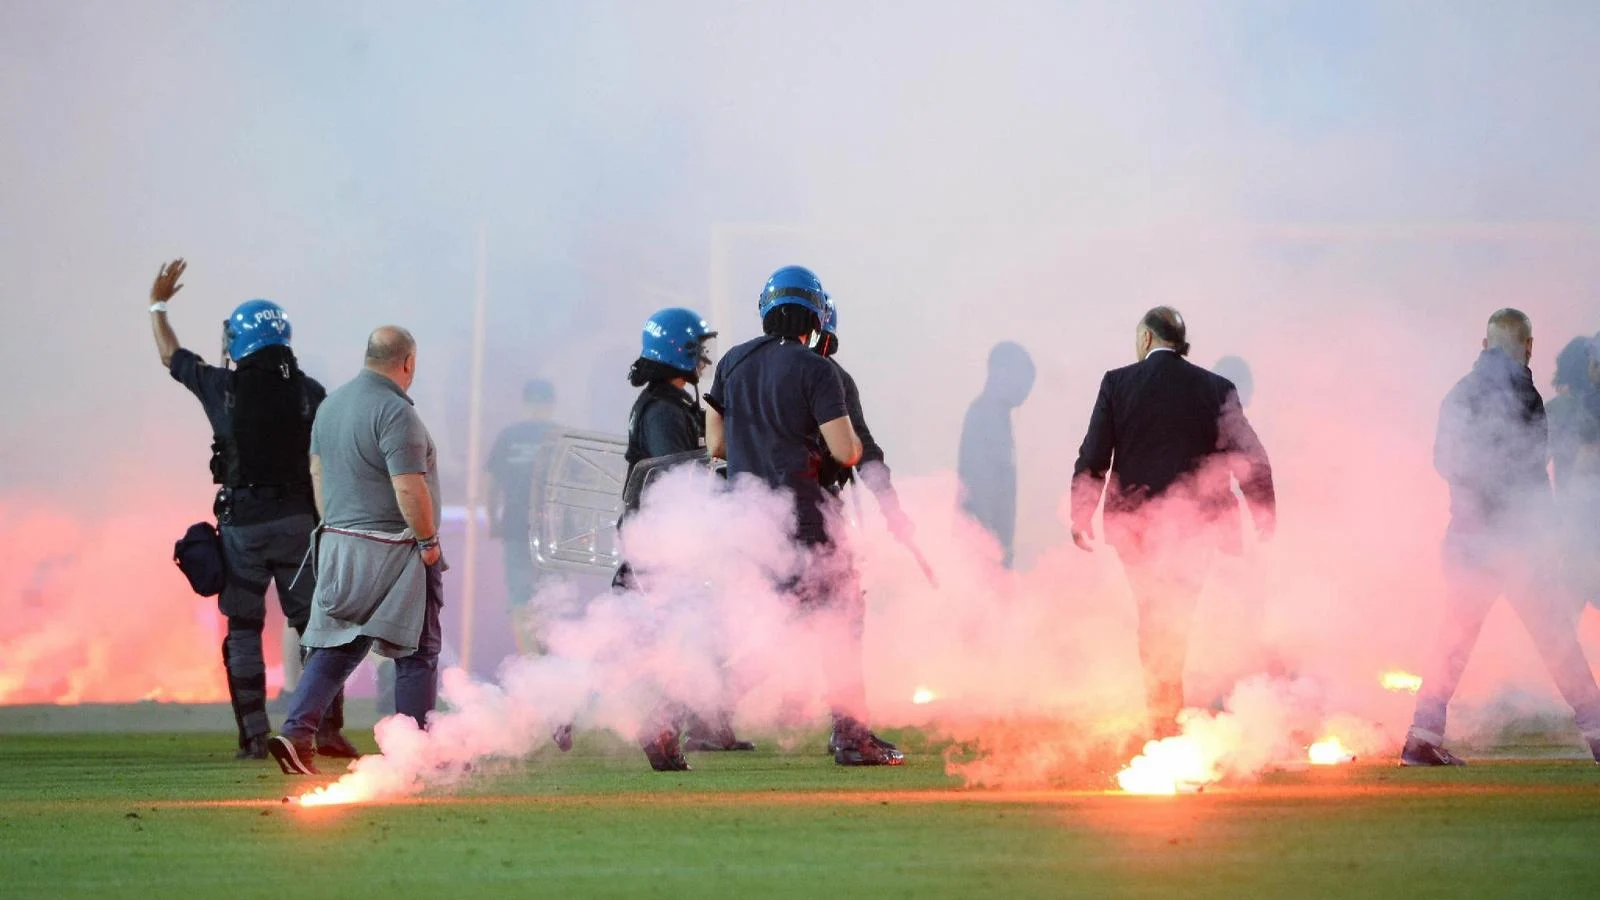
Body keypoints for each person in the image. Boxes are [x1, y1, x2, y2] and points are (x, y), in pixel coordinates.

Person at [147, 259, 355, 761]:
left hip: (242, 527)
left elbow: (170, 356)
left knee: (243, 630)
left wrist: (157, 305)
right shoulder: (311, 393)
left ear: (239, 342)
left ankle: (255, 739)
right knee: (317, 631)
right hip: (300, 528)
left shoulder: (224, 389)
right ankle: (321, 731)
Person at [703, 265, 903, 767]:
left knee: (771, 624)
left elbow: (717, 445)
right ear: (815, 314)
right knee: (840, 620)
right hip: (806, 517)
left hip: (749, 521)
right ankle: (851, 736)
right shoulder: (819, 370)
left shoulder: (731, 361)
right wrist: (848, 450)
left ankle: (697, 712)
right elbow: (848, 449)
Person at [1402, 310, 1600, 766]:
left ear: (1485, 343)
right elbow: (1530, 469)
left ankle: (1422, 735)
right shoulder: (1523, 392)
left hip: (1467, 538)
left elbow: (1444, 461)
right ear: (1528, 346)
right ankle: (1597, 728)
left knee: (1453, 641)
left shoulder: (1457, 394)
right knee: (1556, 638)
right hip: (1512, 540)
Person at [1069, 307, 1275, 738]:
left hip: (1135, 526)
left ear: (1146, 339)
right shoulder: (1216, 388)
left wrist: (1081, 513)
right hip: (1198, 525)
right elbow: (1251, 457)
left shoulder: (1117, 383)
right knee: (1177, 616)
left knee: (1152, 615)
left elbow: (1094, 455)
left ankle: (1162, 717)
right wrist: (1263, 512)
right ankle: (1170, 715)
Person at [268, 326, 444, 776]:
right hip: (394, 551)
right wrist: (427, 543)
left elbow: (318, 473)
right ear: (408, 362)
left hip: (339, 544)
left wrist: (339, 528)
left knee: (338, 645)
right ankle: (414, 754)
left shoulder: (331, 406)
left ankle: (297, 731)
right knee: (416, 651)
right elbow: (408, 487)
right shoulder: (395, 412)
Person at [607, 306, 755, 769]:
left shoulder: (668, 403)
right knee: (683, 637)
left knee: (687, 636)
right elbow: (679, 477)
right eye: (698, 349)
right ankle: (561, 707)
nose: (704, 357)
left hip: (661, 541)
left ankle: (699, 724)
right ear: (680, 351)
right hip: (661, 544)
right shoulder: (663, 411)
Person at [485, 379, 557, 652]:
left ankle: (531, 659)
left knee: (521, 597)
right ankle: (545, 657)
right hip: (552, 531)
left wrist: (493, 521)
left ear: (525, 404)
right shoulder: (559, 435)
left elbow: (492, 485)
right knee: (550, 596)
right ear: (551, 404)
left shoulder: (508, 436)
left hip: (516, 527)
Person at [957, 342, 1036, 569]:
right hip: (982, 547)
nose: (1025, 392)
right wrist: (992, 547)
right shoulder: (985, 415)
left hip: (989, 544)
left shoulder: (998, 417)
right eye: (1024, 380)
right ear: (1000, 373)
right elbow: (979, 484)